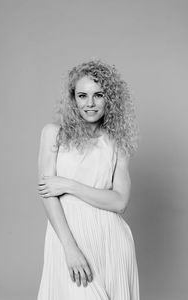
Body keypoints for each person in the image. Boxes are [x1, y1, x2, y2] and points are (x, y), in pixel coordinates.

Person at [37, 60, 140, 300]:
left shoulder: (117, 142)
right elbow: (48, 196)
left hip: (111, 239)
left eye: (99, 95)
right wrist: (70, 248)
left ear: (109, 99)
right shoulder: (53, 133)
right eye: (82, 95)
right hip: (67, 237)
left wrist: (69, 185)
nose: (90, 103)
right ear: (73, 99)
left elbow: (119, 202)